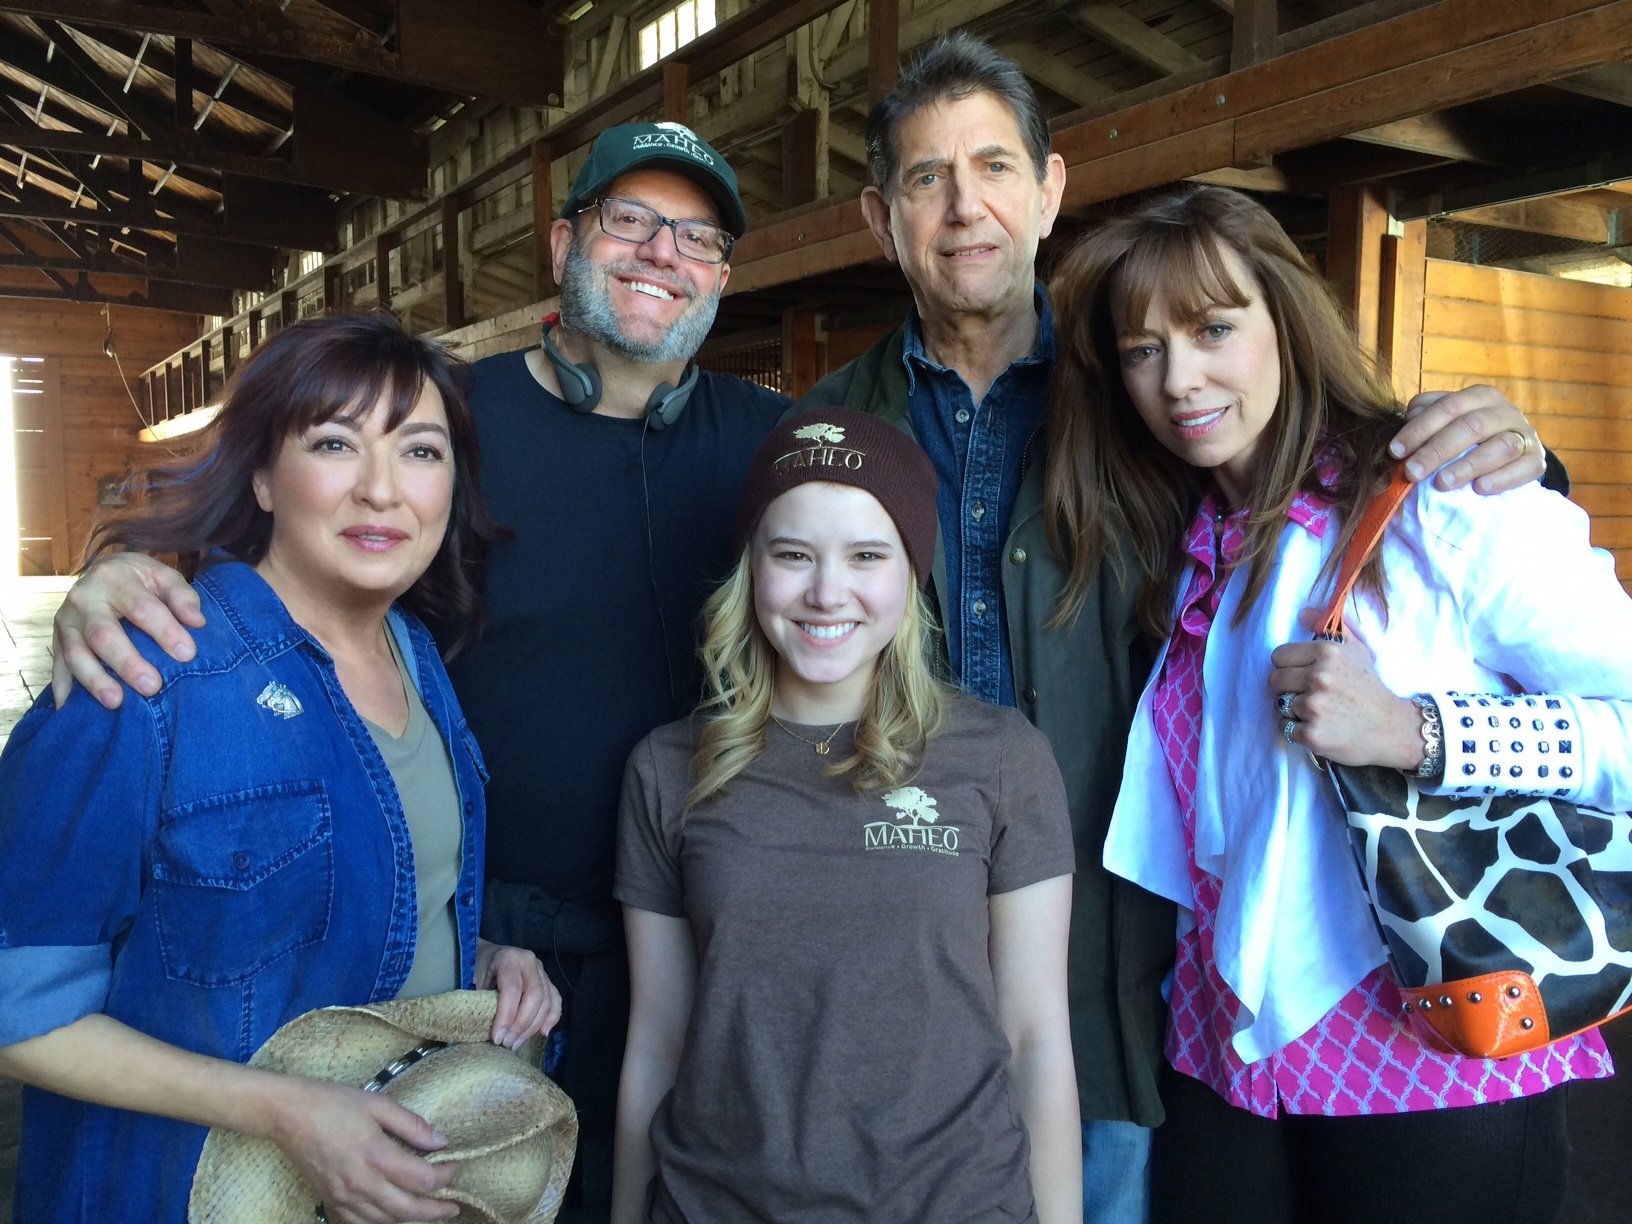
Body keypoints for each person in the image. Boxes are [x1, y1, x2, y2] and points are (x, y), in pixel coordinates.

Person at [800, 32, 1556, 1222]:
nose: (963, 208)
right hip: (922, 973)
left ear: (1049, 191)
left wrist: (1503, 452)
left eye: (994, 166)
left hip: (1142, 997)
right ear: (879, 215)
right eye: (925, 179)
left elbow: (1326, 458)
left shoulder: (1132, 407)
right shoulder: (830, 431)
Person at [43, 123, 788, 1222]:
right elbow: (280, 534)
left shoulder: (770, 440)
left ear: (722, 273)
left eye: (696, 236)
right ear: (562, 243)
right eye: (628, 220)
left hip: (691, 942)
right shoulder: (449, 422)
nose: (659, 253)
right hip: (464, 974)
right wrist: (116, 580)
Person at [1047, 183, 1625, 1223]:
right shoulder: (1188, 548)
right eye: (1142, 350)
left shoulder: (1443, 500)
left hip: (1439, 1049)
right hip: (1224, 1056)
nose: (1180, 378)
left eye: (1214, 328)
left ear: (1286, 319)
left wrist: (1420, 731)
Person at [0, 313, 562, 1224]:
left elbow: (352, 903)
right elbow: (16, 1007)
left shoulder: (419, 661)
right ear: (262, 474)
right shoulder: (145, 673)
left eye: (420, 452)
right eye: (335, 442)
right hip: (173, 1191)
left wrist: (485, 956)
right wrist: (290, 1114)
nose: (382, 490)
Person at [612, 408, 1081, 1223]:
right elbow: (657, 1040)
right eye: (792, 555)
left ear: (912, 571)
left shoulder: (1003, 758)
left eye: (867, 555)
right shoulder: (666, 768)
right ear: (750, 570)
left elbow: (1036, 1036)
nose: (827, 592)